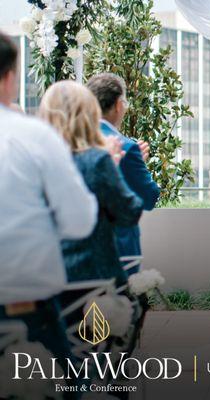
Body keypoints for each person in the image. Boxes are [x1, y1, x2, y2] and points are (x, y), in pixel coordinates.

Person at [0, 32, 96, 399]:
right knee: (68, 388)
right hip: (22, 302)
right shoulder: (34, 136)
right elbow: (79, 220)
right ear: (10, 77)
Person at [38, 80, 144, 286]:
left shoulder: (36, 162)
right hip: (92, 283)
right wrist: (113, 166)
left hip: (44, 278)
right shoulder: (97, 161)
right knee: (123, 314)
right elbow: (129, 212)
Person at [87, 73, 160, 275]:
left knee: (89, 305)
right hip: (119, 249)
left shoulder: (76, 140)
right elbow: (149, 198)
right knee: (118, 305)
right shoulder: (127, 148)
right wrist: (138, 165)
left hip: (81, 247)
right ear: (119, 104)